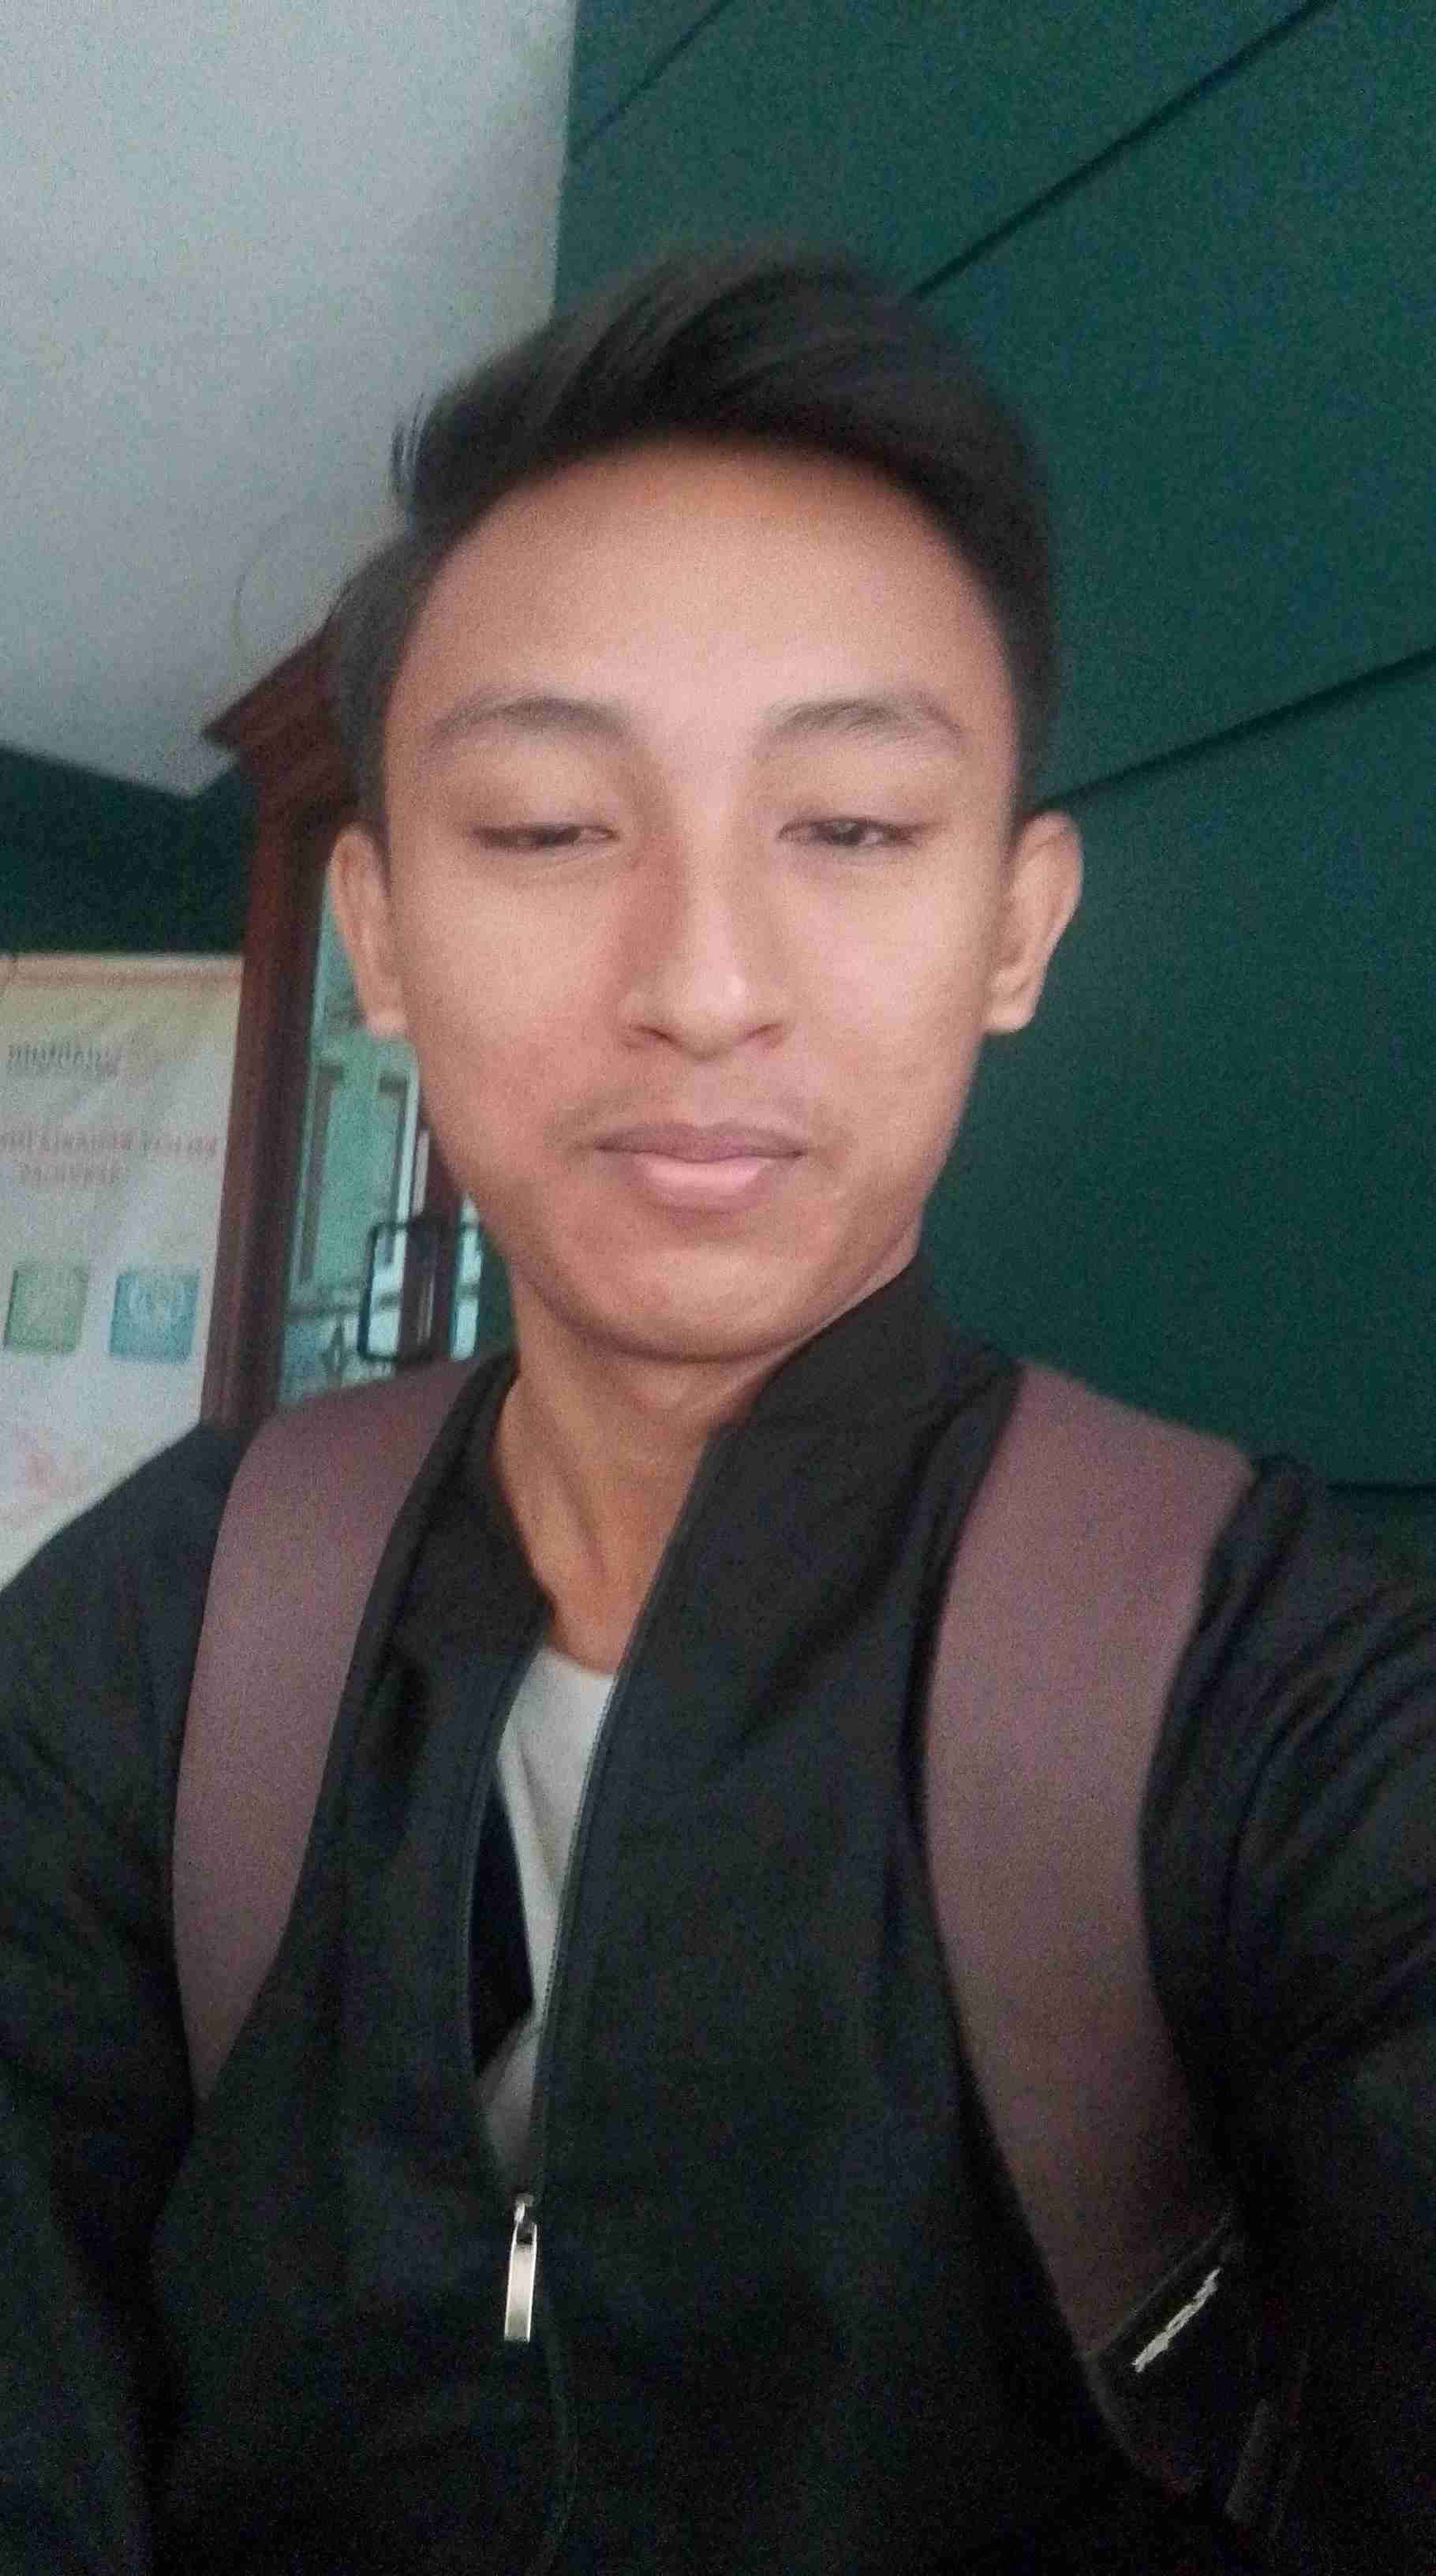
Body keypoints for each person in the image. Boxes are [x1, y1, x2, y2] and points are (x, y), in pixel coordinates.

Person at [1, 250, 1432, 2574]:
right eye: (548, 829)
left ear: (1016, 928)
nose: (700, 983)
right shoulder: (160, 1640)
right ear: (379, 928)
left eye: (849, 828)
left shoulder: (1256, 1694)